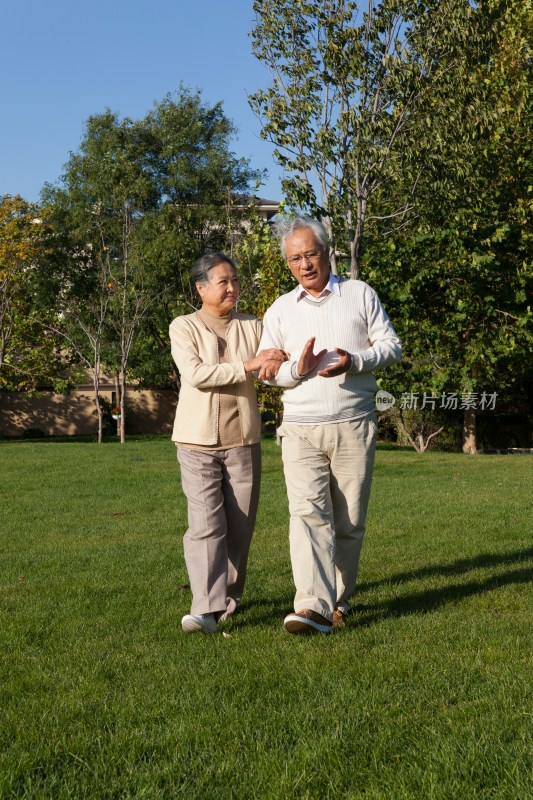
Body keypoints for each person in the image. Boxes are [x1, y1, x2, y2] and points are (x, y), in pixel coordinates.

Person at [256, 217, 402, 635]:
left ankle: (339, 601)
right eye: (295, 258)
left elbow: (391, 346)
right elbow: (268, 370)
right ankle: (312, 607)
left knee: (348, 522)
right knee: (306, 514)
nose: (304, 264)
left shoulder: (358, 294)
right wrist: (295, 370)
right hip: (300, 427)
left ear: (327, 254)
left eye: (311, 254)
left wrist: (354, 361)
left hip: (354, 423)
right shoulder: (281, 309)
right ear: (288, 264)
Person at [169, 251, 286, 634]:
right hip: (195, 441)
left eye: (235, 280)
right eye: (224, 282)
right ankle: (203, 607)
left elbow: (274, 360)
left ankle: (226, 603)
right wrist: (250, 365)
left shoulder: (254, 325)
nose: (233, 287)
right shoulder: (183, 326)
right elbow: (197, 374)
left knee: (239, 527)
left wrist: (276, 361)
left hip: (244, 440)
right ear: (201, 288)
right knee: (205, 524)